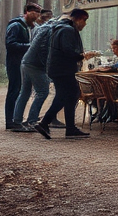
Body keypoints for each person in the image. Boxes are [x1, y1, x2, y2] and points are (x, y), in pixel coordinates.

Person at [33, 9, 100, 139]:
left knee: (69, 95)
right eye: (84, 20)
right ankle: (45, 122)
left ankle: (69, 128)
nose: (85, 24)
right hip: (62, 69)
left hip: (59, 68)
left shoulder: (62, 28)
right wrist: (82, 55)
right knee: (66, 95)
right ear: (78, 19)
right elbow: (67, 50)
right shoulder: (67, 30)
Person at [11, 10, 63, 132]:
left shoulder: (42, 29)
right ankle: (32, 121)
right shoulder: (52, 31)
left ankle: (17, 121)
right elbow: (46, 51)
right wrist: (47, 68)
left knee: (25, 92)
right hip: (35, 64)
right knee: (42, 92)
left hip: (26, 61)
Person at [5, 2, 42, 129]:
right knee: (14, 90)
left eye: (38, 12)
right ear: (27, 12)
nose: (37, 15)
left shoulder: (33, 27)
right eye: (34, 12)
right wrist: (30, 47)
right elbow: (10, 44)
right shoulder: (16, 26)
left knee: (21, 91)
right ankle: (10, 121)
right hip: (15, 63)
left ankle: (17, 120)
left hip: (26, 63)